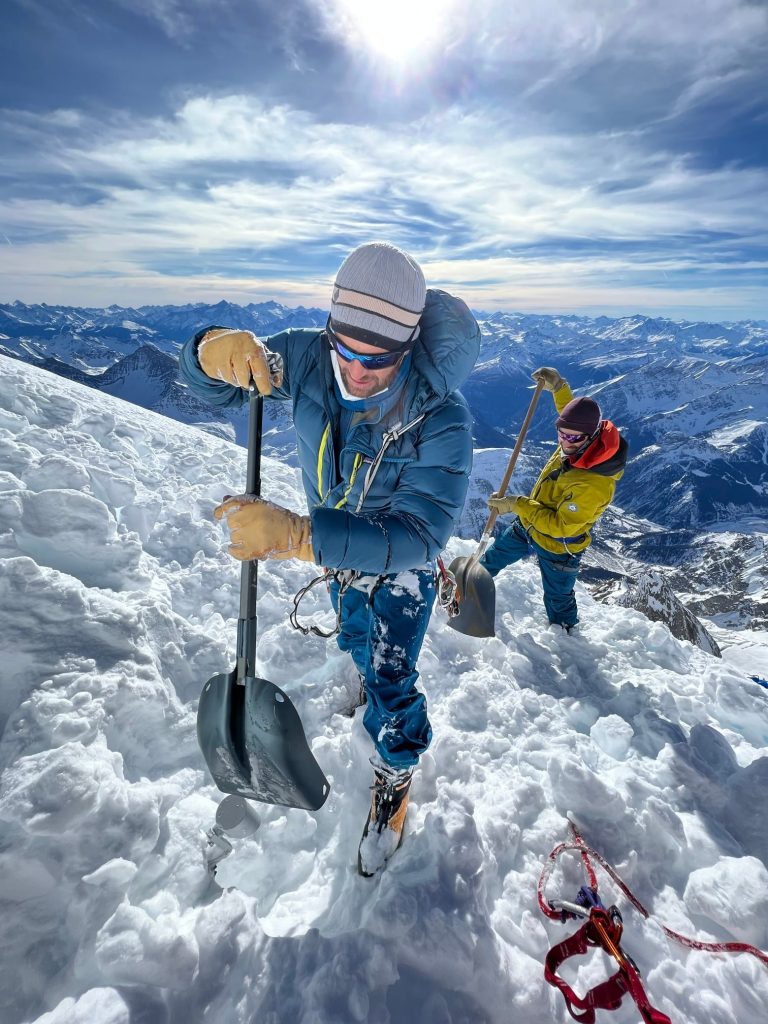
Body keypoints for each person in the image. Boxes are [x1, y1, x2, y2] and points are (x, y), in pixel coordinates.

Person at [179, 242, 480, 875]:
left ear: (409, 346)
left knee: (392, 677)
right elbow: (229, 388)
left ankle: (394, 776)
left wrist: (295, 536)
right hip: (333, 550)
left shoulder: (443, 419)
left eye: (380, 359)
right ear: (331, 328)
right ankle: (360, 675)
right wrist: (210, 350)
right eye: (347, 348)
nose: (358, 370)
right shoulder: (314, 357)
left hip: (398, 571)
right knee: (352, 630)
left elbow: (420, 532)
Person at [480, 367, 628, 633]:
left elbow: (561, 526)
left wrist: (517, 504)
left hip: (559, 545)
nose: (564, 442)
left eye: (571, 438)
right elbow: (570, 417)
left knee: (558, 598)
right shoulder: (578, 440)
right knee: (493, 557)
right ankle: (468, 586)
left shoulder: (593, 482)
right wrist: (559, 387)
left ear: (591, 437)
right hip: (529, 525)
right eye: (561, 434)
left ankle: (566, 637)